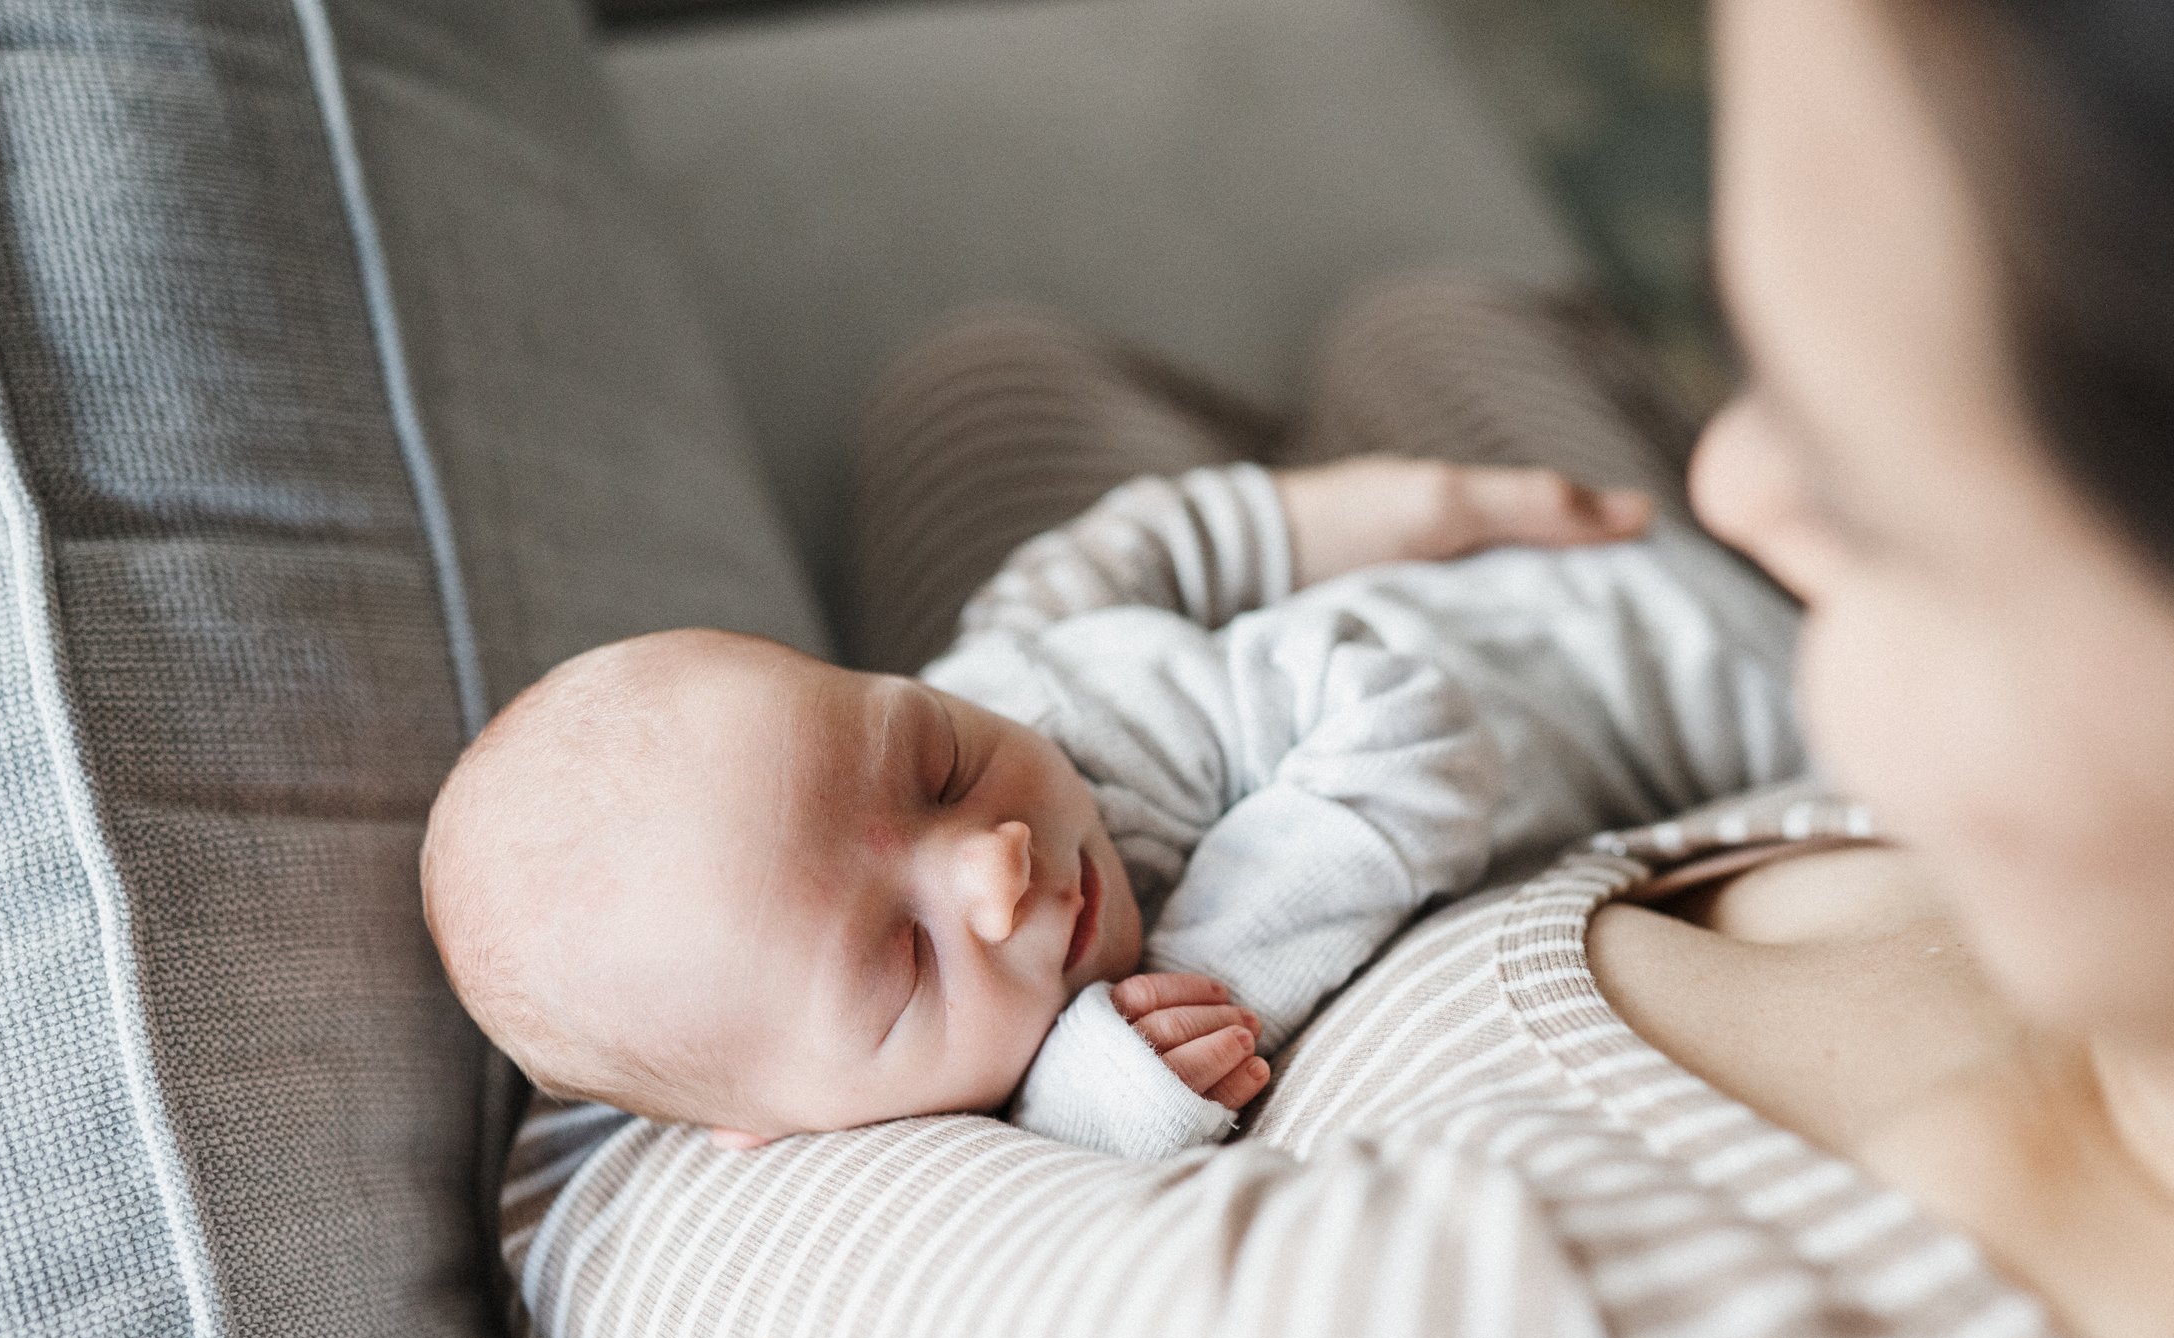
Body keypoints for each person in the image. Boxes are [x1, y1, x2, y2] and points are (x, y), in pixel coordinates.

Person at [502, 1, 2174, 1338]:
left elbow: (607, 1160)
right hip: (1455, 642)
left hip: (1544, 678)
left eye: (1874, 474)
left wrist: (1072, 1026)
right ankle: (1415, 375)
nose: (1739, 470)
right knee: (1365, 364)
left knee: (1139, 395)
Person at [422, 457, 1797, 1159]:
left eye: (938, 762)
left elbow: (1402, 722)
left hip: (1662, 658)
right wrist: (1092, 1095)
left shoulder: (1060, 685)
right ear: (775, 1125)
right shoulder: (931, 1133)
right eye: (903, 959)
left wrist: (1419, 501)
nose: (994, 868)